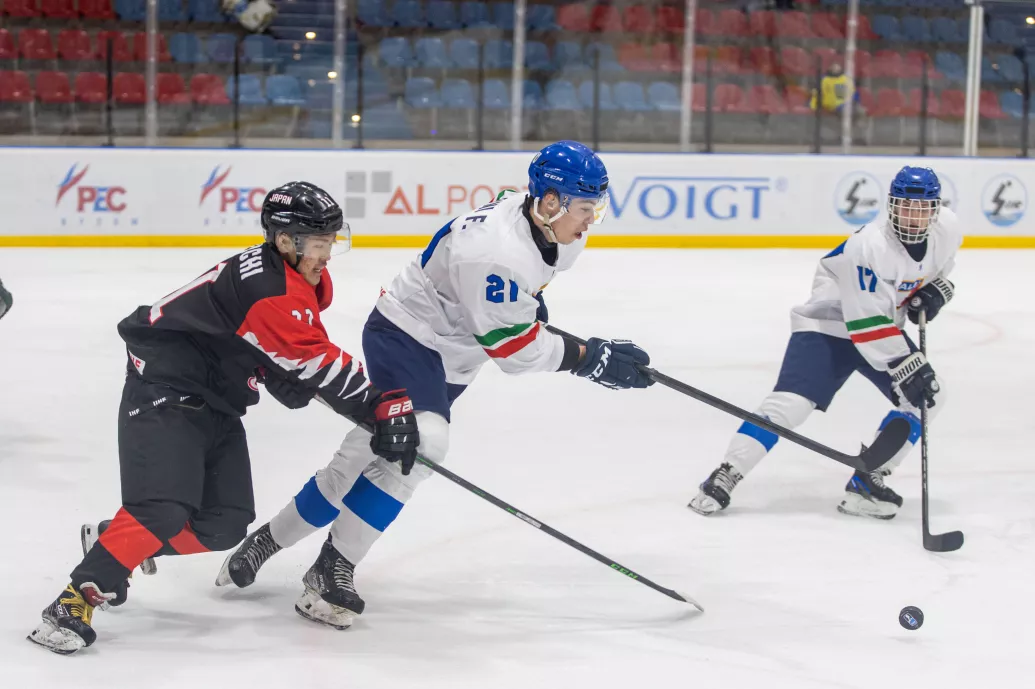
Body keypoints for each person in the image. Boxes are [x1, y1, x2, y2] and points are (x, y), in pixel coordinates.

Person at [215, 141, 655, 630]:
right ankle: (330, 570)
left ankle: (268, 540)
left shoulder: (544, 224)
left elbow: (511, 274)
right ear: (550, 201)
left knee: (363, 454)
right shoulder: (494, 253)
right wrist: (588, 358)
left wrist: (524, 303)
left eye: (597, 208)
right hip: (407, 335)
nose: (591, 220)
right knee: (422, 445)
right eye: (586, 208)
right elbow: (514, 351)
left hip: (453, 357)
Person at [27, 182, 420, 655]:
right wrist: (380, 406)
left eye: (332, 241)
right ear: (285, 240)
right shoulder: (269, 289)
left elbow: (286, 348)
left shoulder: (293, 278)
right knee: (162, 508)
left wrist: (275, 369)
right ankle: (72, 602)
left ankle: (115, 541)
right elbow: (316, 361)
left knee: (224, 524)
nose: (327, 254)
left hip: (215, 398)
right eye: (319, 244)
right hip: (164, 390)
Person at [689, 167, 961, 520]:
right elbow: (864, 322)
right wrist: (905, 365)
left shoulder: (948, 229)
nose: (912, 215)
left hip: (881, 328)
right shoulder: (869, 245)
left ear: (936, 210)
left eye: (921, 208)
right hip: (829, 324)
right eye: (905, 206)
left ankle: (868, 480)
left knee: (928, 397)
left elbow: (937, 269)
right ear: (891, 205)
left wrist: (937, 290)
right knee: (791, 405)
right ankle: (727, 474)